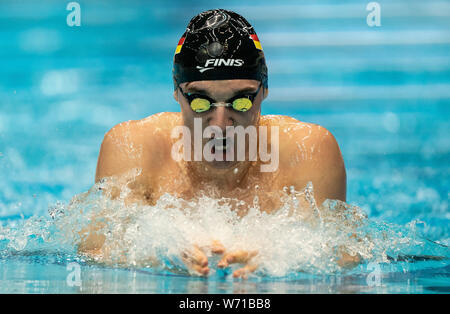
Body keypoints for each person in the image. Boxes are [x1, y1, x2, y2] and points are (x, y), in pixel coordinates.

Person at [80, 9, 352, 278]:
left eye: (241, 101)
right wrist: (155, 255)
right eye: (200, 102)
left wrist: (284, 260)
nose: (220, 125)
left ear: (265, 90)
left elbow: (343, 258)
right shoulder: (133, 148)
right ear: (176, 91)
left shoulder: (308, 149)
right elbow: (96, 256)